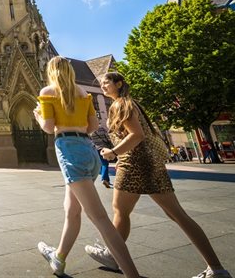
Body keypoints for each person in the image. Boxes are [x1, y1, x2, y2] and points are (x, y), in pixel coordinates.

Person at [85, 72, 232, 278]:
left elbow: (137, 135)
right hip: (150, 162)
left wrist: (114, 152)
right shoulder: (131, 103)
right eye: (101, 83)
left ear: (119, 84)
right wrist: (121, 156)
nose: (102, 86)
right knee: (176, 214)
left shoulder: (120, 104)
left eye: (106, 82)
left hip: (135, 165)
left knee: (121, 211)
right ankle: (216, 268)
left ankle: (112, 254)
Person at [33, 56, 140, 278]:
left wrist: (39, 116)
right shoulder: (82, 93)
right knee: (72, 210)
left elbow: (49, 127)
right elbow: (93, 126)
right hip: (88, 151)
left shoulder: (48, 92)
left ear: (51, 71)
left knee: (99, 217)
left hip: (70, 151)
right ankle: (58, 258)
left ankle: (132, 274)